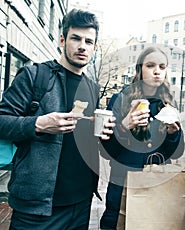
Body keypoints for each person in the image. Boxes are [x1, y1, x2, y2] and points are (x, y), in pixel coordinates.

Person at [0, 9, 114, 229]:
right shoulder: (35, 76)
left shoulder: (92, 88)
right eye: (76, 38)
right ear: (62, 40)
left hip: (81, 203)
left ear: (95, 47)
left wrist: (107, 131)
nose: (82, 46)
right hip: (37, 207)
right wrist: (39, 124)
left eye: (89, 41)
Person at [99, 46, 185, 229]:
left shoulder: (168, 104)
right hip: (122, 182)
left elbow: (177, 153)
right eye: (151, 65)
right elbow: (106, 151)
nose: (157, 72)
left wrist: (172, 134)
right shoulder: (120, 99)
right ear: (140, 69)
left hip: (156, 182)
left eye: (162, 67)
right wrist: (124, 126)